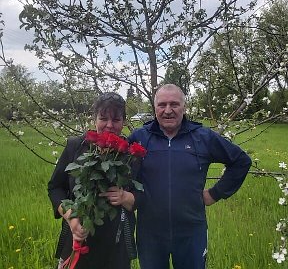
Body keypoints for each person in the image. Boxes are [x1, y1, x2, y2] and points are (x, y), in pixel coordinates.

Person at [128, 84, 252, 269]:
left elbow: (241, 161)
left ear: (184, 107)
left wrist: (215, 193)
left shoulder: (202, 137)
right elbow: (119, 170)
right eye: (162, 105)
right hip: (150, 234)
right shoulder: (139, 137)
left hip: (191, 232)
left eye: (174, 104)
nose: (168, 110)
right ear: (155, 108)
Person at [48, 92, 136, 269]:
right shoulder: (76, 146)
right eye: (103, 118)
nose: (109, 125)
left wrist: (127, 198)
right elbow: (55, 187)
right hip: (77, 239)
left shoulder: (130, 154)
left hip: (116, 245)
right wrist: (71, 217)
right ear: (94, 118)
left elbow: (146, 194)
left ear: (124, 122)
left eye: (116, 120)